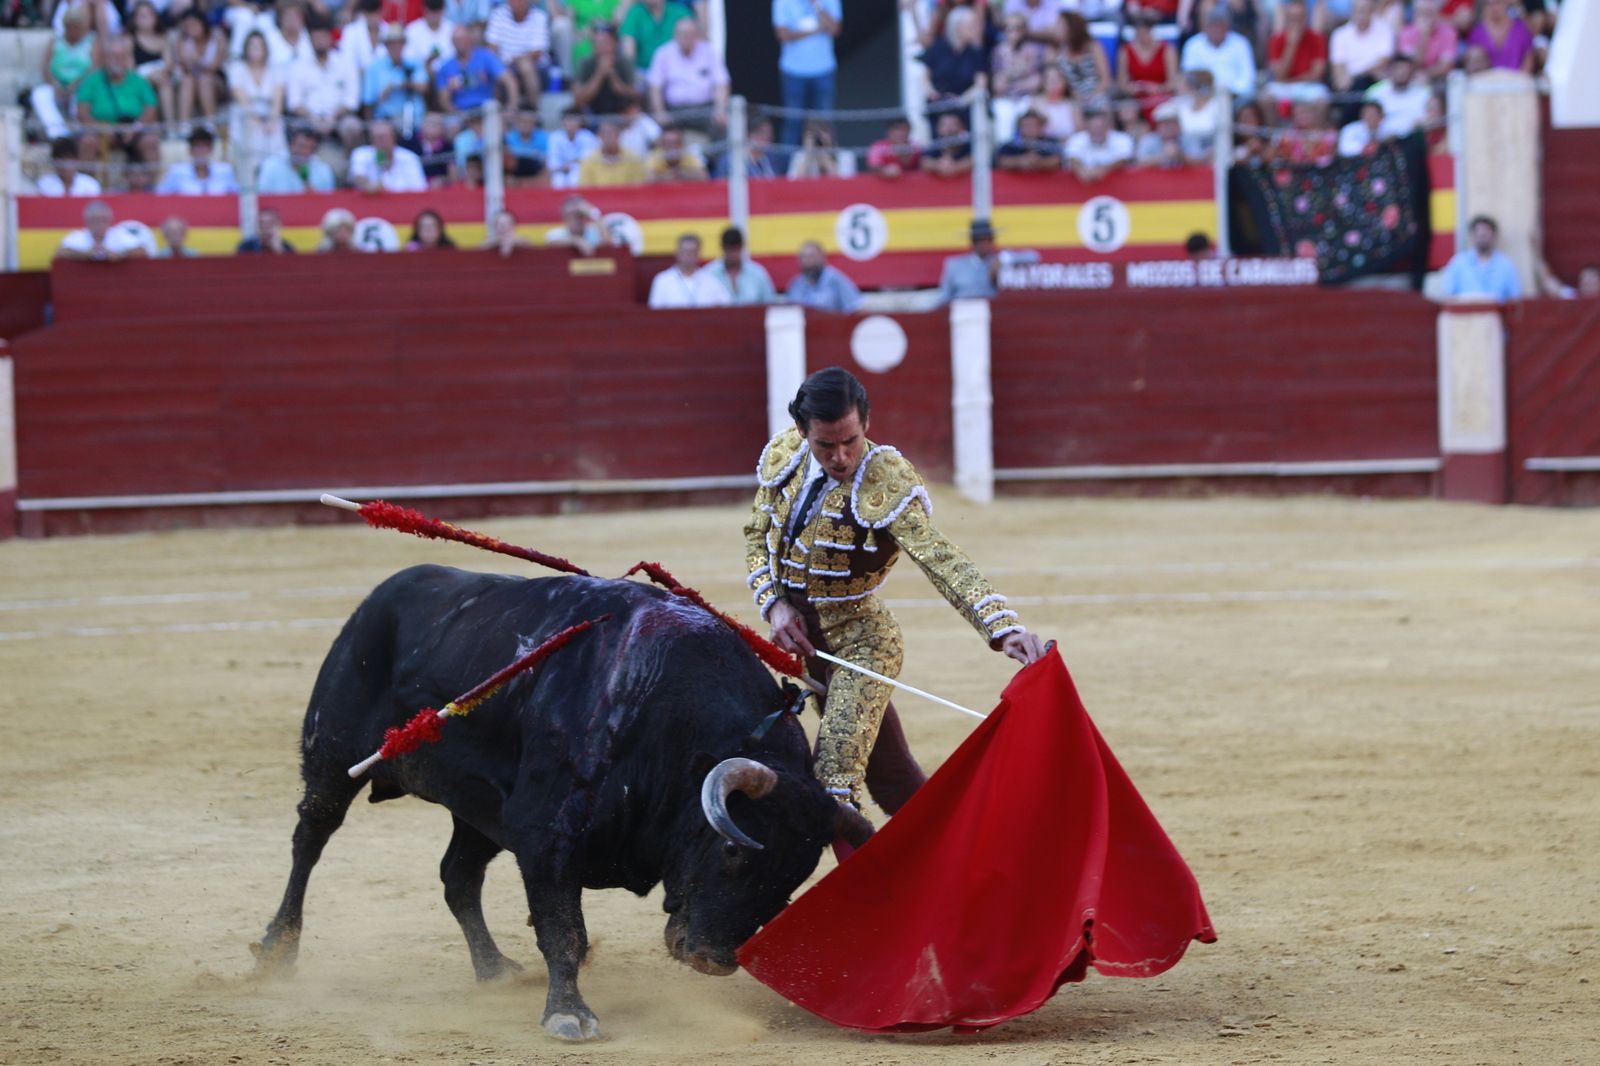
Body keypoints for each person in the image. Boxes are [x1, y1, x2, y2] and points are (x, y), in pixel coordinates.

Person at [745, 367, 1047, 811]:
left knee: (833, 786)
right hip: (809, 646)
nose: (842, 456)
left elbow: (941, 558)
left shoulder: (886, 480)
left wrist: (1003, 628)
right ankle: (948, 865)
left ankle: (866, 882)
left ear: (866, 422)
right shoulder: (785, 456)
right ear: (801, 431)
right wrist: (774, 605)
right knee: (894, 775)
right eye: (826, 444)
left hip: (863, 644)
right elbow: (757, 535)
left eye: (851, 440)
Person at [773, 0, 841, 149]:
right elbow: (783, 34)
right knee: (793, 122)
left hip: (824, 69)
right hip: (793, 71)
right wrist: (817, 30)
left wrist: (816, 5)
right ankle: (788, 168)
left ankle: (829, 166)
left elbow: (834, 28)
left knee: (825, 123)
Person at [647, 17, 730, 129]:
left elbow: (722, 83)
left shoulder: (709, 51)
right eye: (682, 33)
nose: (686, 37)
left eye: (690, 33)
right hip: (674, 111)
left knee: (723, 125)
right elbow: (654, 87)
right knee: (657, 129)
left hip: (704, 109)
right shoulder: (663, 53)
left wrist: (720, 110)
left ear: (697, 35)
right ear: (675, 34)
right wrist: (660, 112)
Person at [434, 24, 517, 113]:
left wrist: (511, 108)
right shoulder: (445, 67)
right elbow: (443, 101)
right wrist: (450, 89)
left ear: (470, 39)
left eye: (462, 38)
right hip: (461, 112)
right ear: (452, 42)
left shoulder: (486, 57)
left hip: (486, 109)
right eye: (456, 40)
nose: (459, 43)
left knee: (492, 109)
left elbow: (510, 82)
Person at [484, 0, 550, 109]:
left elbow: (536, 53)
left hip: (535, 67)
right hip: (504, 65)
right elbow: (492, 48)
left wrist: (513, 60)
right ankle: (503, 112)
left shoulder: (539, 16)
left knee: (525, 65)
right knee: (495, 67)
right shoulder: (498, 15)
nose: (516, 2)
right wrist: (503, 65)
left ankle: (534, 109)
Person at [1439, 215, 1521, 302]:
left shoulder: (1506, 265)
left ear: (1494, 236)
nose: (1482, 237)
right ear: (1472, 236)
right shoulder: (1458, 262)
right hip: (1464, 314)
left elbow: (1515, 299)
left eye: (1486, 234)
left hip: (1497, 314)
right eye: (1479, 234)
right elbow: (1447, 295)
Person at [1179, 6, 1255, 100]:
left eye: (1220, 26)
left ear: (1227, 27)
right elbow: (1189, 75)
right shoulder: (1193, 45)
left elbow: (1247, 76)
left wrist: (1231, 92)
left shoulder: (1241, 43)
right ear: (1205, 27)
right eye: (1212, 26)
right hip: (1200, 97)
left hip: (1235, 96)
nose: (1216, 30)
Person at [1266, 0, 1330, 104]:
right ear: (1288, 19)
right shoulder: (1276, 39)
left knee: (1321, 100)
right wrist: (1291, 45)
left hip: (1307, 87)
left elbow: (1317, 74)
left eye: (1299, 18)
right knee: (1266, 98)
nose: (1296, 23)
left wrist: (1290, 81)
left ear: (1305, 18)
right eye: (1293, 18)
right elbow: (1279, 75)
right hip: (1283, 87)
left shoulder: (1317, 38)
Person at [1118, 14, 1178, 121]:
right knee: (1127, 110)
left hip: (1160, 94)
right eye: (1138, 33)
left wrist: (1156, 88)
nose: (1142, 37)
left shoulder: (1167, 50)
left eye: (1145, 33)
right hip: (1135, 97)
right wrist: (1134, 88)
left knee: (1157, 104)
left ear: (1152, 31)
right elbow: (1122, 83)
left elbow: (1173, 83)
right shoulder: (1126, 51)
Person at [695, 226, 776, 305]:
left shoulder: (757, 274)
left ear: (742, 247)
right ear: (722, 248)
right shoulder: (709, 273)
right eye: (729, 249)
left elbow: (770, 304)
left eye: (735, 249)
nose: (732, 254)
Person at [572, 21, 638, 116]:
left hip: (622, 116)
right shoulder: (585, 64)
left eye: (604, 42)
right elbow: (578, 99)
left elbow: (634, 95)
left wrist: (613, 75)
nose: (600, 46)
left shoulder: (624, 63)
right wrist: (599, 73)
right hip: (592, 115)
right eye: (596, 42)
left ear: (615, 43)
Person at [365, 25, 428, 124]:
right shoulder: (375, 67)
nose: (395, 47)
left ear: (404, 45)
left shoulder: (414, 63)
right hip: (386, 120)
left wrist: (396, 86)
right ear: (386, 46)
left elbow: (423, 87)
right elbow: (368, 100)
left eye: (399, 43)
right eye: (391, 44)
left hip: (415, 119)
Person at [350, 118, 429, 191]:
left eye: (383, 136)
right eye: (376, 137)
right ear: (371, 138)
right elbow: (358, 176)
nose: (380, 141)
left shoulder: (409, 157)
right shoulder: (361, 154)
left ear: (393, 136)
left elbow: (419, 187)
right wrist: (368, 185)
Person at [55, 200, 148, 261]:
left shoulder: (118, 234)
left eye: (104, 220)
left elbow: (142, 251)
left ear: (110, 220)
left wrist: (120, 255)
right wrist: (85, 255)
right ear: (87, 221)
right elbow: (60, 253)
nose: (100, 224)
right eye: (95, 220)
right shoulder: (77, 236)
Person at [156, 127, 239, 195]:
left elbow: (238, 196)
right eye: (197, 146)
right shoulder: (177, 171)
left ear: (211, 150)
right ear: (190, 150)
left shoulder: (225, 171)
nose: (201, 151)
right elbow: (160, 195)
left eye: (205, 146)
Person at [786, 240, 862, 313]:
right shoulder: (796, 284)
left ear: (822, 258)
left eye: (812, 257)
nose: (808, 261)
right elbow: (790, 312)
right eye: (804, 257)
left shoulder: (836, 280)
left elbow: (855, 309)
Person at [257, 125, 339, 193]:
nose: (303, 152)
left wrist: (311, 191)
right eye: (301, 146)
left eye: (309, 148)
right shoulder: (271, 165)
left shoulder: (323, 170)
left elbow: (328, 201)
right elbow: (262, 195)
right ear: (291, 145)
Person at [936, 217, 1000, 303]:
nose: (984, 244)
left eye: (988, 240)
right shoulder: (955, 265)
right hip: (961, 311)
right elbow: (945, 296)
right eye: (980, 240)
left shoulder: (1000, 264)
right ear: (973, 242)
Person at [1065, 104, 1134, 182]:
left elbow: (1123, 159)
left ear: (1109, 126)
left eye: (1102, 127)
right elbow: (1072, 157)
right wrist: (1080, 171)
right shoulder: (1076, 139)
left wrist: (1102, 170)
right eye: (1094, 127)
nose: (1098, 131)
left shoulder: (1122, 138)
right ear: (1086, 126)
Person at [647, 233, 720, 307]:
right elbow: (654, 312)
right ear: (677, 253)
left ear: (698, 254)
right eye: (685, 251)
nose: (689, 255)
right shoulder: (662, 280)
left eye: (692, 252)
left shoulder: (711, 280)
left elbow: (725, 308)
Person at [619, 0, 693, 70]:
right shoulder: (635, 13)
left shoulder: (680, 13)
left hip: (676, 71)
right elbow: (628, 50)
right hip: (644, 71)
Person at [1467, 0, 1534, 73]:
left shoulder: (1521, 29)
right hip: (1485, 80)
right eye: (1489, 4)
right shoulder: (1477, 32)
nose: (1494, 7)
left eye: (1497, 2)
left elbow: (1528, 58)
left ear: (1506, 3)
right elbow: (1471, 63)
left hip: (1516, 79)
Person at [578, 117, 647, 185]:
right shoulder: (589, 160)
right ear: (599, 136)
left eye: (612, 133)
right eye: (604, 134)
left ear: (619, 135)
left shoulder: (633, 159)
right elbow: (585, 188)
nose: (608, 137)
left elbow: (638, 187)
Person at [547, 106, 600, 187]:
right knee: (558, 180)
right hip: (560, 170)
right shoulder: (555, 137)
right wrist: (561, 168)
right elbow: (553, 158)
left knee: (574, 177)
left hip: (581, 170)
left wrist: (571, 165)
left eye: (574, 120)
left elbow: (587, 159)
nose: (571, 123)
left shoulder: (587, 136)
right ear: (562, 122)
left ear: (580, 122)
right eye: (568, 120)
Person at [995, 108, 1062, 172]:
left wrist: (1040, 162)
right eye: (1026, 125)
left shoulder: (1052, 143)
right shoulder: (1010, 145)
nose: (1030, 129)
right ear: (1019, 127)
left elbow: (1058, 160)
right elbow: (1001, 161)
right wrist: (1020, 161)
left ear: (1041, 127)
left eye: (1034, 125)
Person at [787, 119, 857, 178]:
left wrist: (827, 161)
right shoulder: (800, 156)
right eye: (816, 136)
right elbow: (793, 184)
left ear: (831, 134)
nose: (820, 140)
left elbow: (846, 186)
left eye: (824, 132)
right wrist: (808, 156)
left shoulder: (846, 156)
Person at [35, 138, 103, 197]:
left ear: (76, 160)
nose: (65, 164)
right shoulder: (43, 184)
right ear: (54, 162)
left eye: (69, 158)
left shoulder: (90, 184)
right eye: (61, 159)